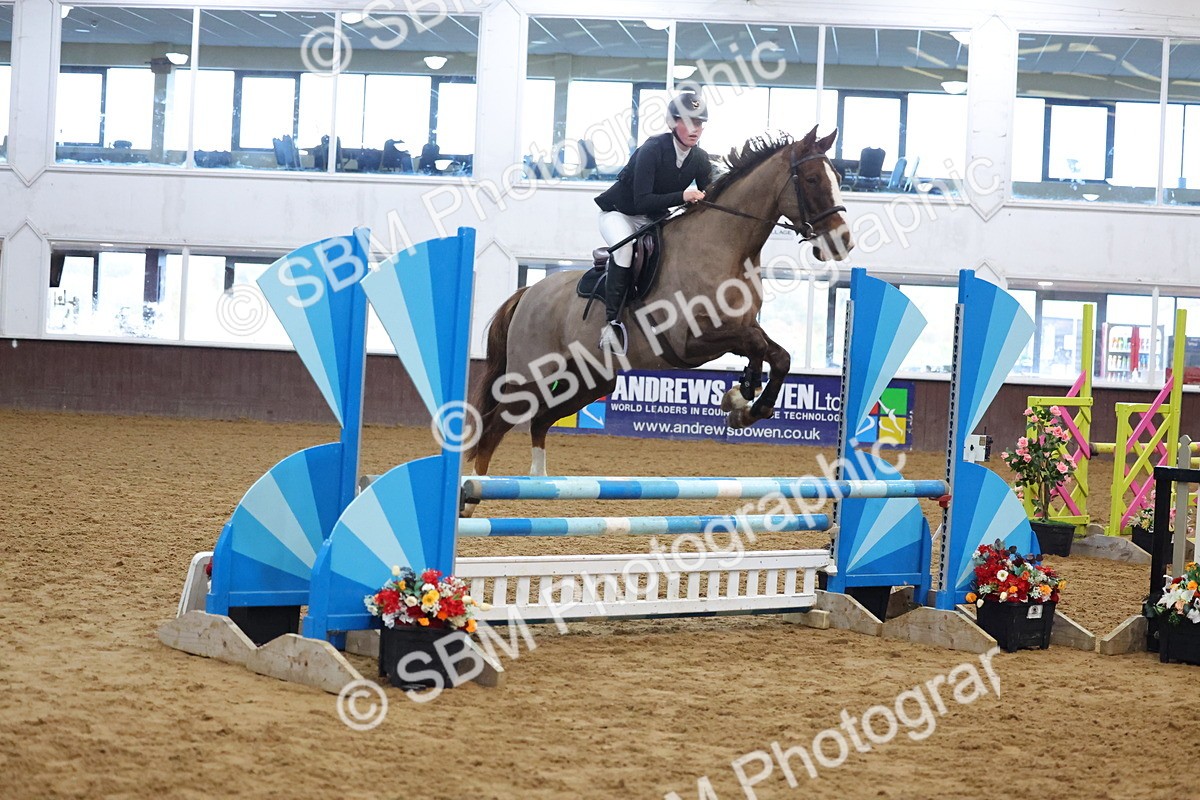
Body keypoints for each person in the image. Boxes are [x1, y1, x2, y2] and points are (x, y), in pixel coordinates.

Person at [594, 90, 713, 354]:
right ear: (672, 123)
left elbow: (710, 199)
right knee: (625, 248)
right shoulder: (651, 149)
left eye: (700, 123)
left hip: (651, 217)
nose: (696, 129)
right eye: (690, 122)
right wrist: (683, 195)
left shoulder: (700, 159)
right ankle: (611, 325)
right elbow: (643, 200)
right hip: (620, 213)